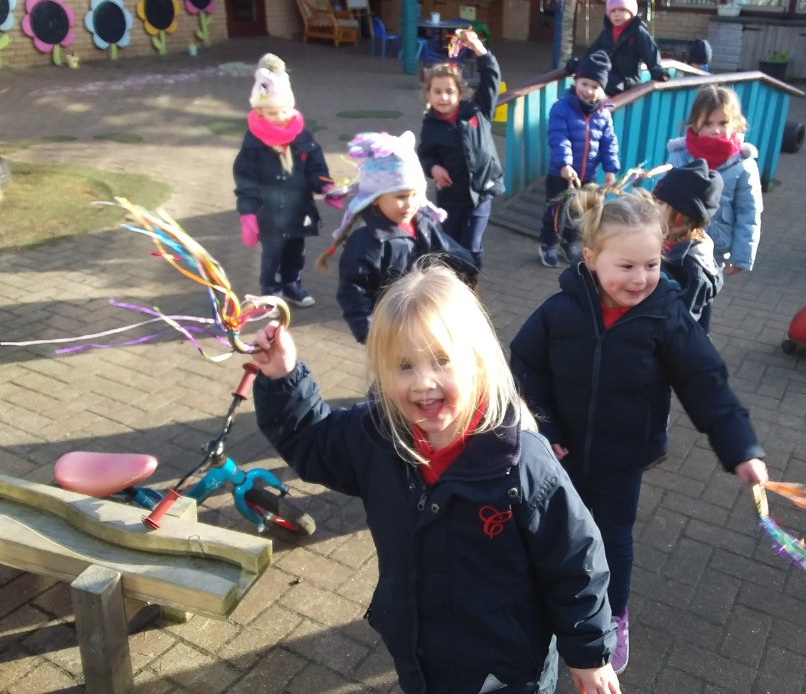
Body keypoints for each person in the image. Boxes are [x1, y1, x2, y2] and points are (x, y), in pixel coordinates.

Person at [249, 263, 622, 694]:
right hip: (419, 654)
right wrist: (283, 377)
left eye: (442, 361)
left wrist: (588, 653)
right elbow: (313, 444)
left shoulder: (522, 462)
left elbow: (575, 559)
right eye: (404, 366)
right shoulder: (376, 436)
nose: (424, 383)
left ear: (477, 363)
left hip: (506, 669)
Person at [510, 187, 769, 674]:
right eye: (626, 266)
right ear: (591, 259)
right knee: (552, 532)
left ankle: (612, 616)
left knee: (612, 539)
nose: (641, 278)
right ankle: (549, 605)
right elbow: (525, 364)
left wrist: (741, 447)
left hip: (623, 457)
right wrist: (543, 424)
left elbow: (705, 383)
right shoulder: (559, 311)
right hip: (560, 453)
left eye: (651, 264)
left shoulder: (667, 316)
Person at [315, 131, 478, 344]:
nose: (410, 204)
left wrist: (469, 265)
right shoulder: (366, 243)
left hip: (425, 317)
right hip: (391, 330)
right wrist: (369, 331)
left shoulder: (423, 224)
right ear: (375, 199)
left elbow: (447, 249)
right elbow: (353, 291)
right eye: (400, 197)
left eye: (414, 195)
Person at [234, 52, 342, 308]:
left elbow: (315, 165)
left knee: (296, 251)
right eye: (271, 113)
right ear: (259, 111)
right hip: (268, 213)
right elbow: (245, 179)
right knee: (272, 255)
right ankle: (271, 292)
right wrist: (247, 213)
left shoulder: (302, 137)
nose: (279, 118)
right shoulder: (254, 143)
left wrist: (326, 186)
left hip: (298, 209)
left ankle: (293, 285)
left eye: (283, 111)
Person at [418, 29, 504, 271]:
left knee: (472, 245)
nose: (443, 97)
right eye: (437, 92)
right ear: (428, 94)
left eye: (449, 91)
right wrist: (434, 168)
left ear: (460, 93)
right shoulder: (430, 124)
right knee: (448, 243)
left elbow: (491, 77)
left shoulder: (477, 110)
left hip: (480, 192)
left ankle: (470, 283)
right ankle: (449, 281)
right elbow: (426, 154)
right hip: (451, 196)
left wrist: (478, 48)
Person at [665, 84, 762, 277]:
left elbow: (749, 212)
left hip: (717, 246)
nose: (716, 130)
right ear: (695, 123)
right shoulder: (680, 157)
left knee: (705, 292)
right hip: (678, 243)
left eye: (723, 123)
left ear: (735, 123)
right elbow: (662, 202)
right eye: (708, 123)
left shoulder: (743, 164)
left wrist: (741, 255)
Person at [539, 50, 621, 268]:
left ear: (602, 90)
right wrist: (564, 164)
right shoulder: (562, 108)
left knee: (579, 214)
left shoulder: (603, 114)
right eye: (584, 84)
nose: (588, 90)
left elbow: (608, 143)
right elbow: (559, 137)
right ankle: (547, 244)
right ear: (576, 82)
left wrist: (611, 169)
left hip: (588, 176)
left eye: (595, 87)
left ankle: (569, 243)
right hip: (561, 174)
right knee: (555, 211)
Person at [651, 158, 724, 331]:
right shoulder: (667, 240)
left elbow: (679, 327)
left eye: (659, 203)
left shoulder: (691, 269)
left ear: (680, 216)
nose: (651, 206)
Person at [567, 0, 670, 97]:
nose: (617, 14)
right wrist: (578, 64)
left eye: (621, 10)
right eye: (613, 11)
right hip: (609, 77)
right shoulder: (607, 33)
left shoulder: (637, 31)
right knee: (586, 81)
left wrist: (658, 71)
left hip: (627, 81)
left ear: (631, 12)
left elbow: (650, 52)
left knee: (602, 84)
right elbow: (592, 53)